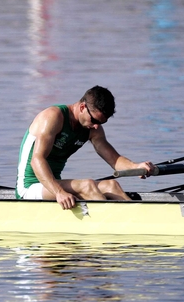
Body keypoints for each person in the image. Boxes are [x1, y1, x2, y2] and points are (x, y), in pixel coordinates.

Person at [15, 85, 156, 209]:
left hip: (53, 184)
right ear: (82, 107)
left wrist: (136, 166)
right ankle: (114, 222)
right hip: (30, 187)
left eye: (101, 123)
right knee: (86, 185)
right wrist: (59, 192)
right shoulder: (53, 117)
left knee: (111, 186)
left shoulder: (92, 128)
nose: (96, 126)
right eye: (94, 120)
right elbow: (37, 160)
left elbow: (115, 160)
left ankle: (135, 217)